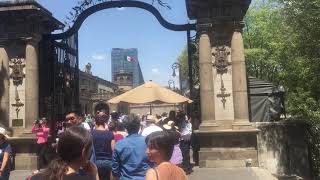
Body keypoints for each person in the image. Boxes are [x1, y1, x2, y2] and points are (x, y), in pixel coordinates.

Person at [28, 126, 99, 180]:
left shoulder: (34, 177)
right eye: (90, 150)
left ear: (58, 149)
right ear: (84, 153)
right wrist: (95, 174)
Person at [112, 114, 149, 180]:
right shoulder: (147, 142)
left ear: (126, 128)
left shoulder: (119, 144)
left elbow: (115, 168)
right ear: (139, 127)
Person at [92, 116, 115, 180]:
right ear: (104, 124)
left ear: (96, 124)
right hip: (108, 162)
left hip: (95, 162)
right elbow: (113, 149)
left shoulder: (92, 133)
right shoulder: (110, 134)